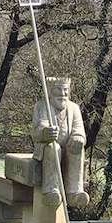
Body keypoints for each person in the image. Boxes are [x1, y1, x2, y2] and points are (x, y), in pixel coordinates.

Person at [31, 76, 88, 208]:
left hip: (68, 147)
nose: (63, 94)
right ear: (50, 91)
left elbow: (79, 128)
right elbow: (37, 130)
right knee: (53, 147)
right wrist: (46, 132)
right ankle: (51, 191)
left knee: (77, 147)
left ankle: (74, 192)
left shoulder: (74, 108)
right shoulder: (42, 106)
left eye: (65, 90)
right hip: (48, 147)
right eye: (58, 90)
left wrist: (78, 137)